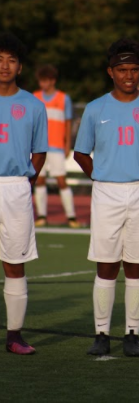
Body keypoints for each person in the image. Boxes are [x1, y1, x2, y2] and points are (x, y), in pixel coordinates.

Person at [74, 38, 139, 358]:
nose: (128, 75)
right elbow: (80, 153)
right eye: (122, 70)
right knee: (106, 264)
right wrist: (101, 174)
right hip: (106, 191)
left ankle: (132, 334)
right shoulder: (95, 108)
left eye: (133, 69)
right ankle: (101, 333)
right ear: (111, 72)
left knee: (136, 265)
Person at [0, 32, 48, 355]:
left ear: (20, 67)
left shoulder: (33, 104)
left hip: (15, 186)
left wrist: (25, 183)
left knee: (14, 263)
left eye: (11, 60)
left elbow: (40, 152)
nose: (4, 66)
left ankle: (14, 336)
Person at [33, 65, 80, 228]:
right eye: (41, 81)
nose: (42, 84)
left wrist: (67, 144)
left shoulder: (63, 98)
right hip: (38, 147)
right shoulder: (35, 97)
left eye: (45, 81)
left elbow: (67, 123)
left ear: (52, 81)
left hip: (56, 147)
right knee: (39, 181)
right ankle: (42, 216)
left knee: (61, 181)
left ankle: (71, 217)